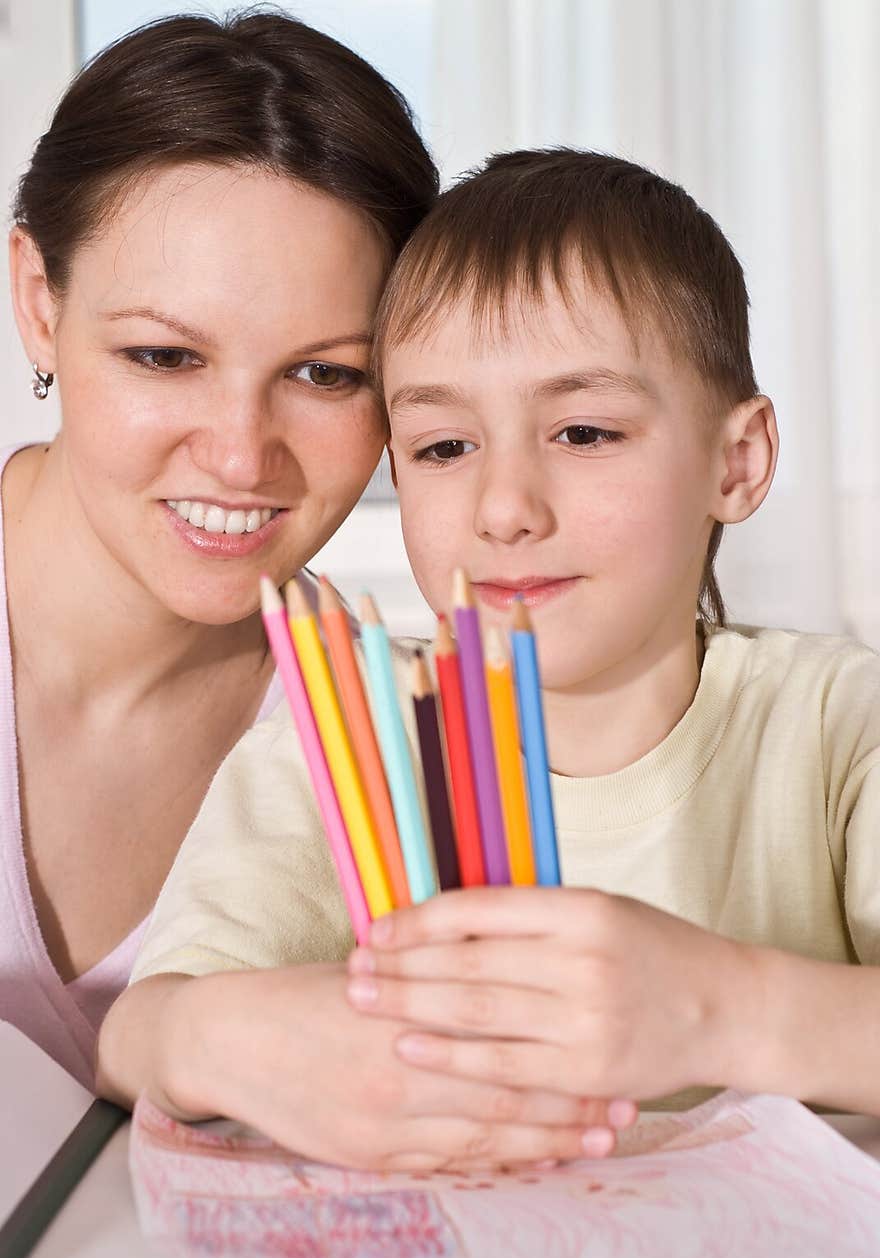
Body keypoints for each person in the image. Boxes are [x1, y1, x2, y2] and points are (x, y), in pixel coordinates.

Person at [107, 142, 879, 1170]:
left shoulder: (838, 725)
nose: (505, 508)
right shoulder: (341, 737)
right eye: (442, 447)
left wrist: (718, 1006)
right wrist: (223, 1038)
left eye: (585, 431)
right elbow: (135, 1036)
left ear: (735, 461)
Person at [1, 10, 438, 1089]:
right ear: (38, 303)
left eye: (326, 373)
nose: (242, 458)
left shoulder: (400, 742)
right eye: (164, 354)